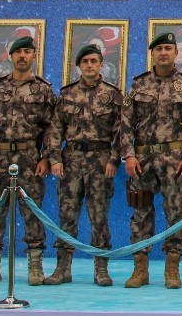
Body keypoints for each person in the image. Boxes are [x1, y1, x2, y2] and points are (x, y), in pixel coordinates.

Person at [119, 33, 182, 289]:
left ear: (176, 53)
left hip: (174, 160)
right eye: (159, 49)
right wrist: (129, 154)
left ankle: (172, 270)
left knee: (175, 214)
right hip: (142, 160)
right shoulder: (138, 85)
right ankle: (140, 269)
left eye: (168, 48)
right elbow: (125, 122)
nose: (164, 52)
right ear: (153, 54)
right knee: (140, 214)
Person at [0, 36, 57, 286]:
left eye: (27, 52)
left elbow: (51, 128)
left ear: (33, 56)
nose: (22, 56)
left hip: (30, 158)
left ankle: (35, 266)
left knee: (32, 212)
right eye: (18, 52)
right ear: (11, 56)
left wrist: (47, 158)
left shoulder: (43, 89)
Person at [45, 44, 123, 287]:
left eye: (94, 61)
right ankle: (62, 268)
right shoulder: (66, 94)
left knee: (99, 217)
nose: (90, 65)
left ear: (101, 65)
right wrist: (55, 158)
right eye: (85, 61)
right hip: (71, 162)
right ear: (78, 66)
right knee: (67, 216)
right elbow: (55, 128)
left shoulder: (112, 94)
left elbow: (122, 130)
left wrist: (114, 159)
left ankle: (101, 269)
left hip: (100, 161)